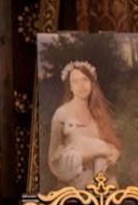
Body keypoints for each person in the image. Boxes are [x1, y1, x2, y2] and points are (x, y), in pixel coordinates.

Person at [48, 60, 122, 189]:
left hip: (103, 184)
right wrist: (96, 154)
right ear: (70, 87)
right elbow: (54, 160)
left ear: (92, 83)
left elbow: (110, 144)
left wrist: (114, 152)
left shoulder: (97, 113)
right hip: (76, 187)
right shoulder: (62, 114)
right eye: (75, 81)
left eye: (85, 80)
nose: (81, 85)